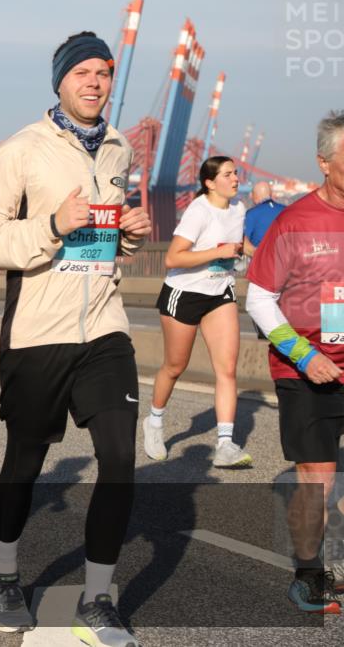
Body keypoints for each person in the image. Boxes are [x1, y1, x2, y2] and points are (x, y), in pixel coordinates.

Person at [0, 31, 152, 645]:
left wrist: (129, 233)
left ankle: (98, 597)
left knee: (121, 458)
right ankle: (6, 570)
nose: (94, 83)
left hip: (104, 326)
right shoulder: (23, 150)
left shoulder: (120, 150)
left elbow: (103, 244)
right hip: (37, 333)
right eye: (83, 74)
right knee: (26, 462)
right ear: (60, 81)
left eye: (103, 73)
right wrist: (50, 224)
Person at [246, 110, 344, 614]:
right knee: (318, 476)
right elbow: (259, 299)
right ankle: (308, 575)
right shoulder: (294, 223)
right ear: (324, 163)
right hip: (308, 370)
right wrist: (306, 356)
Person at [143, 156, 251, 467]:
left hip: (220, 292)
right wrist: (218, 252)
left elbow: (239, 243)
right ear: (209, 182)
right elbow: (173, 258)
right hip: (185, 294)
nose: (236, 179)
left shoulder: (239, 209)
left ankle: (225, 445)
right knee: (175, 366)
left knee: (227, 370)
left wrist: (265, 254)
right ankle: (154, 421)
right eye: (228, 174)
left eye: (236, 173)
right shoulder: (198, 211)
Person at [243, 180, 285, 257]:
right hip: (285, 260)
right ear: (271, 194)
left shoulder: (251, 214)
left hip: (262, 261)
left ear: (253, 196)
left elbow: (244, 243)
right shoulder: (287, 210)